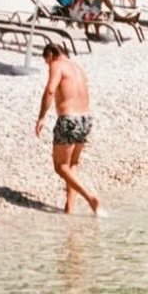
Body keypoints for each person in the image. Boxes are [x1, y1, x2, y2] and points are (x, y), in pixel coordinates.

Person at [34, 42, 101, 216]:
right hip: (86, 119)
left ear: (50, 55)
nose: (48, 66)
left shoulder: (57, 65)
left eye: (46, 62)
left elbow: (50, 91)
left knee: (60, 166)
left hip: (69, 120)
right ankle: (69, 209)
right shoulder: (77, 67)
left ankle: (90, 197)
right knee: (72, 165)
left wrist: (41, 116)